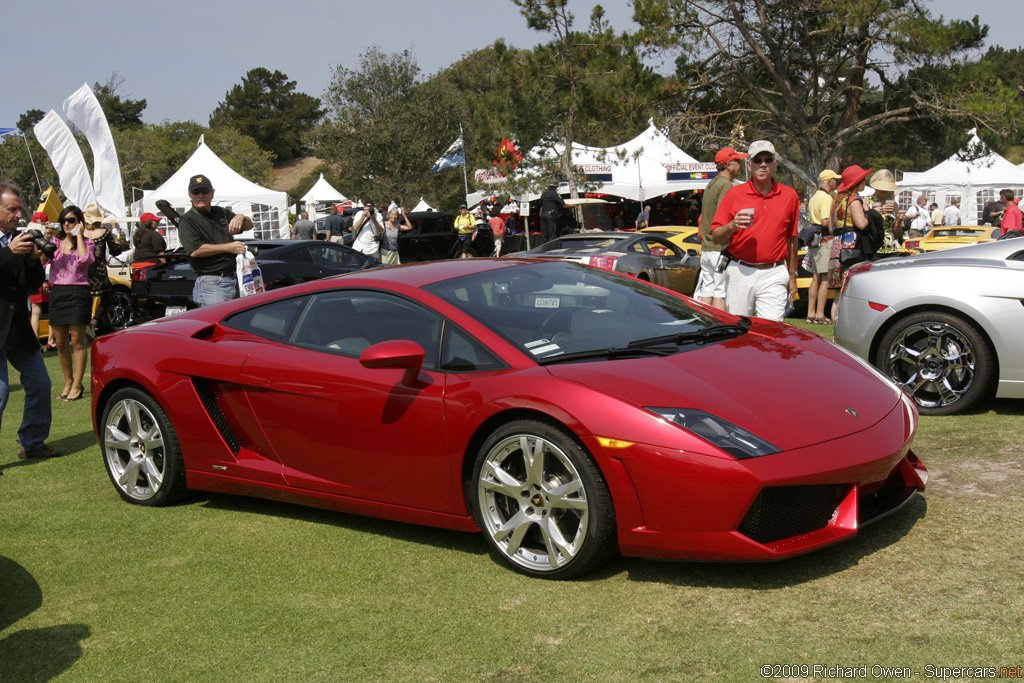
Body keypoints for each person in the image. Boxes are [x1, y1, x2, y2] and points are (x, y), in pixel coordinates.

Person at [0, 184, 61, 460]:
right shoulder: (12, 245)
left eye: (19, 208)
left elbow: (34, 283)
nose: (18, 214)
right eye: (11, 209)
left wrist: (35, 260)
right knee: (1, 393)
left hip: (18, 329)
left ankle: (32, 442)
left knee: (40, 384)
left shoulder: (21, 239)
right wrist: (9, 253)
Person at [710, 140, 800, 321]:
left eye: (768, 159)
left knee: (773, 331)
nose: (763, 164)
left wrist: (792, 276)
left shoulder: (789, 195)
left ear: (775, 164)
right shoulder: (734, 194)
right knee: (740, 330)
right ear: (749, 165)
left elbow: (792, 239)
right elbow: (715, 236)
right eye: (758, 160)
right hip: (740, 271)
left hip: (774, 272)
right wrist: (732, 225)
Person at [177, 174, 254, 307]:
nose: (200, 195)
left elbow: (249, 226)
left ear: (212, 194)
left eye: (204, 191)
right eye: (196, 192)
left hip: (236, 278)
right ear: (190, 196)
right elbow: (195, 250)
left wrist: (241, 217)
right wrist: (229, 248)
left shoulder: (220, 212)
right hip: (211, 283)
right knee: (218, 324)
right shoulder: (187, 220)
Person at [44, 205, 95, 402]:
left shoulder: (87, 242)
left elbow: (85, 259)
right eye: (64, 220)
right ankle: (68, 381)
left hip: (78, 292)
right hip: (58, 292)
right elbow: (41, 261)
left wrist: (79, 235)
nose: (67, 224)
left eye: (72, 220)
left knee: (78, 342)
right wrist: (47, 240)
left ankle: (77, 385)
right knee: (61, 343)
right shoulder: (55, 243)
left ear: (79, 222)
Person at [696, 147, 747, 309]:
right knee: (720, 291)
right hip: (720, 248)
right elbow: (725, 216)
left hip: (708, 247)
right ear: (728, 165)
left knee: (708, 289)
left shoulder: (711, 184)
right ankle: (720, 330)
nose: (740, 165)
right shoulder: (726, 186)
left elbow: (702, 218)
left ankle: (707, 326)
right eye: (737, 162)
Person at [826, 165, 874, 317]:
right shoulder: (854, 200)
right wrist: (868, 213)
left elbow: (831, 229)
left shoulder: (835, 201)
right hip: (852, 249)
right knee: (851, 290)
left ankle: (834, 332)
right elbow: (861, 223)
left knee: (838, 295)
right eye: (863, 179)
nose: (865, 182)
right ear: (857, 182)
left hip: (836, 248)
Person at [804, 169, 841, 325]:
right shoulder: (826, 198)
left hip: (815, 239)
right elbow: (826, 221)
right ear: (830, 182)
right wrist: (836, 229)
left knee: (815, 277)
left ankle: (810, 312)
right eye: (835, 180)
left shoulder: (814, 197)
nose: (836, 183)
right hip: (825, 238)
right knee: (825, 278)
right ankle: (820, 313)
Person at [83, 204, 125, 334]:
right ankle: (94, 322)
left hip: (84, 270)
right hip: (99, 270)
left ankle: (84, 325)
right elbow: (115, 251)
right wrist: (119, 242)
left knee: (86, 300)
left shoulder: (81, 233)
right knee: (106, 297)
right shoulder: (104, 232)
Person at [866, 170, 904, 254]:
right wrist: (874, 212)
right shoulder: (866, 201)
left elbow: (896, 234)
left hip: (890, 248)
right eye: (882, 188)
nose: (885, 191)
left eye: (887, 188)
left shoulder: (893, 204)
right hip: (873, 247)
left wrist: (899, 221)